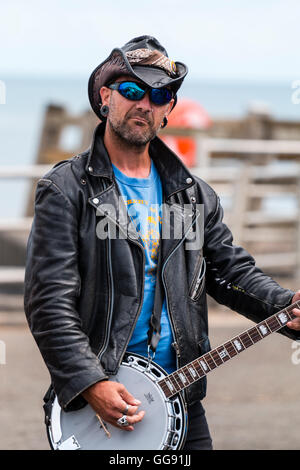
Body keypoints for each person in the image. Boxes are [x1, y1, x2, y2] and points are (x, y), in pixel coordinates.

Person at [24, 35, 300, 450]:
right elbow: (49, 302)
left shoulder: (193, 195)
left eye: (159, 94)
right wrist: (89, 382)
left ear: (169, 107)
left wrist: (284, 306)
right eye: (132, 91)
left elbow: (229, 272)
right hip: (100, 404)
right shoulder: (66, 190)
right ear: (105, 97)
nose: (144, 104)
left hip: (181, 397)